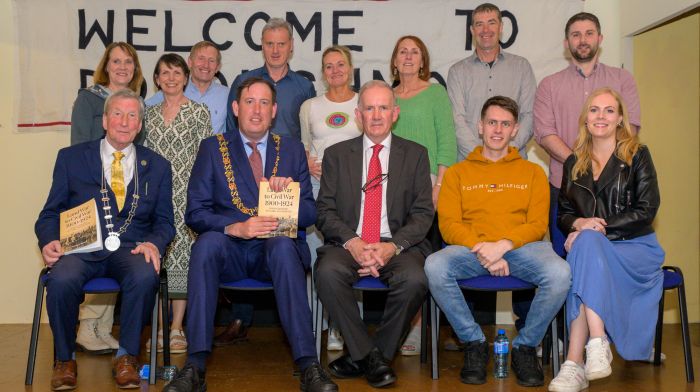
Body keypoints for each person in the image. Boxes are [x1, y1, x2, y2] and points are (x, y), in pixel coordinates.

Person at [163, 77, 337, 392]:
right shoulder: (212, 148)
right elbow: (196, 213)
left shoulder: (293, 149)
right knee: (205, 245)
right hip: (227, 249)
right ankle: (195, 365)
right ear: (235, 108)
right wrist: (234, 227)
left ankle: (309, 364)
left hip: (272, 254)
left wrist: (291, 198)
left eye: (264, 103)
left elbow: (312, 214)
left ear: (274, 111)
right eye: (249, 102)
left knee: (284, 246)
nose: (256, 110)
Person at [425, 96, 570, 387]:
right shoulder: (457, 173)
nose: (498, 130)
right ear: (480, 126)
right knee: (434, 265)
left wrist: (503, 245)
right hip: (470, 250)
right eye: (492, 122)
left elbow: (538, 224)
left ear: (515, 130)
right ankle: (474, 342)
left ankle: (525, 346)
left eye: (505, 124)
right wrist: (485, 250)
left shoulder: (533, 173)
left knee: (560, 273)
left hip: (522, 249)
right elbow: (449, 225)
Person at [36, 89, 174, 390]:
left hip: (131, 249)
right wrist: (49, 240)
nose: (124, 122)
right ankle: (64, 359)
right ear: (105, 121)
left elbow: (165, 222)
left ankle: (126, 358)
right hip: (81, 249)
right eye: (117, 114)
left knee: (144, 273)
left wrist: (154, 243)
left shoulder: (158, 166)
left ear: (140, 125)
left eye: (132, 116)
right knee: (60, 278)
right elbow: (49, 215)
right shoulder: (71, 159)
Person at [315, 80, 434, 388]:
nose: (377, 115)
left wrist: (391, 247)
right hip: (348, 243)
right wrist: (354, 243)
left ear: (395, 113)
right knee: (327, 272)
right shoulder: (337, 155)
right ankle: (373, 359)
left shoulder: (416, 155)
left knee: (415, 279)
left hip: (396, 246)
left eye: (383, 107)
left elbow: (423, 215)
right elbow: (325, 211)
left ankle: (364, 356)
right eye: (370, 108)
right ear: (358, 114)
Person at [548, 88, 663, 392]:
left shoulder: (637, 154)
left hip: (635, 247)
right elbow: (565, 214)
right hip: (593, 250)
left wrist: (595, 228)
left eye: (609, 110)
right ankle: (595, 346)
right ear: (585, 119)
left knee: (585, 250)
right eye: (595, 110)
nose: (601, 116)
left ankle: (575, 362)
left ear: (620, 118)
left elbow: (647, 209)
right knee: (586, 251)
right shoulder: (574, 162)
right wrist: (579, 224)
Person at [217, 18, 316, 344]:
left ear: (291, 46)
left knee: (279, 244)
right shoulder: (246, 81)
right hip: (247, 173)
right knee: (246, 235)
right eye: (269, 43)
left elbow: (307, 131)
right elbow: (233, 130)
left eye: (281, 43)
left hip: (283, 182)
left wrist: (301, 167)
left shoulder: (303, 86)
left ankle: (294, 332)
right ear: (263, 46)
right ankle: (240, 319)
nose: (275, 49)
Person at [534, 12, 641, 257]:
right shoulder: (549, 85)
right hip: (564, 189)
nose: (583, 39)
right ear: (566, 43)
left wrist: (602, 165)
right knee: (564, 262)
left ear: (600, 38)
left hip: (616, 189)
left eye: (589, 33)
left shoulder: (622, 79)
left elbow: (630, 128)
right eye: (576, 34)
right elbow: (544, 133)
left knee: (612, 260)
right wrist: (582, 164)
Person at [69, 42, 145, 355]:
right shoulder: (89, 99)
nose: (122, 67)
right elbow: (79, 147)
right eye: (116, 62)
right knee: (92, 252)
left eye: (128, 62)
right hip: (92, 189)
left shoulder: (136, 103)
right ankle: (87, 327)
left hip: (124, 189)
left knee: (116, 250)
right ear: (106, 66)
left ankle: (102, 327)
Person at [389, 35, 457, 355]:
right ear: (394, 60)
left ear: (422, 60)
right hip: (391, 187)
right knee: (401, 258)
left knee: (425, 258)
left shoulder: (435, 93)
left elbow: (447, 143)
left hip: (427, 185)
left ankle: (423, 328)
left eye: (414, 52)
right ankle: (404, 326)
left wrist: (439, 187)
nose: (408, 56)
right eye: (403, 51)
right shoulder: (387, 97)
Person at [144, 53, 213, 354]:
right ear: (156, 79)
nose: (171, 78)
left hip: (187, 196)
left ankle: (176, 329)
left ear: (185, 77)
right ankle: (158, 328)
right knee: (158, 260)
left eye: (176, 73)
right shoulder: (146, 115)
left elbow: (207, 159)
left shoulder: (199, 113)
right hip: (155, 197)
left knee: (183, 260)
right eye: (164, 73)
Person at [299, 45, 362, 352]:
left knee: (350, 259)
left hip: (355, 193)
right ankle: (317, 327)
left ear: (350, 68)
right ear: (322, 73)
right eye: (328, 66)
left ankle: (345, 327)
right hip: (315, 189)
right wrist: (308, 161)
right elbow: (306, 145)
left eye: (340, 64)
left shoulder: (365, 102)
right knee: (316, 261)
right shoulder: (310, 105)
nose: (335, 70)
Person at [447, 2, 536, 161]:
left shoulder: (522, 67)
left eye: (491, 23)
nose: (485, 30)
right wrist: (481, 156)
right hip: (470, 163)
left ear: (501, 27)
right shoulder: (457, 72)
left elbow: (528, 115)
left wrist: (506, 153)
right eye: (479, 24)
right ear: (472, 30)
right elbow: (457, 120)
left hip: (513, 163)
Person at [146, 41, 228, 134]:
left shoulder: (227, 95)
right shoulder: (173, 90)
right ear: (190, 62)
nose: (206, 65)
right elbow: (143, 112)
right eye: (201, 58)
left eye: (211, 60)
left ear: (217, 67)